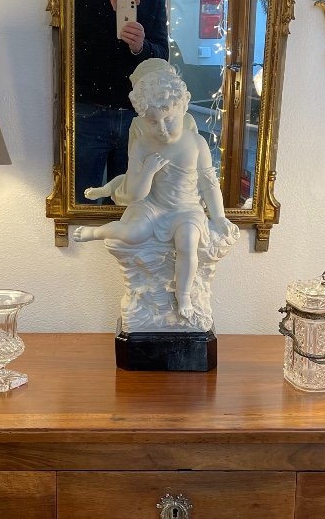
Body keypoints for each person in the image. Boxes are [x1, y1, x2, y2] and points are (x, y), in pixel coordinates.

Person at [73, 59, 237, 323]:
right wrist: (148, 171)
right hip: (154, 206)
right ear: (142, 119)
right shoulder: (142, 144)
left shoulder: (196, 143)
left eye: (168, 119)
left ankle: (183, 296)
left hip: (186, 209)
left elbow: (209, 183)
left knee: (187, 244)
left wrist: (218, 217)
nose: (161, 129)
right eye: (153, 123)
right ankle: (98, 231)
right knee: (132, 233)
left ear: (183, 105)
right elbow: (136, 193)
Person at [73, 0, 168, 202]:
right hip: (87, 109)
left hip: (136, 114)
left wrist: (141, 46)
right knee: (79, 200)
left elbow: (162, 56)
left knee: (129, 204)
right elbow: (69, 38)